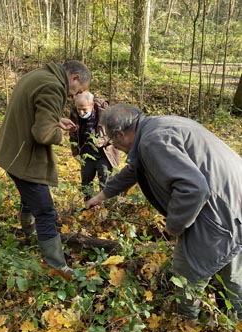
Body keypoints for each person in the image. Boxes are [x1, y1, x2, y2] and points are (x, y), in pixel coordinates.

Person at [86, 103, 242, 320]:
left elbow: (193, 189)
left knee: (186, 269)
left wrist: (174, 225)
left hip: (219, 209)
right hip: (233, 200)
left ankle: (188, 325)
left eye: (112, 142)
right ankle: (236, 322)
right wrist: (102, 196)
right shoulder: (157, 126)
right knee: (233, 260)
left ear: (120, 135)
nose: (116, 148)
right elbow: (134, 169)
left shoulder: (152, 142)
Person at [0, 60, 91, 275]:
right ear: (74, 77)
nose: (74, 96)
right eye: (79, 90)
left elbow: (34, 110)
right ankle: (57, 267)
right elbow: (43, 134)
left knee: (29, 197)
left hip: (10, 152)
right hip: (24, 158)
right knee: (46, 212)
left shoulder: (39, 75)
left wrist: (57, 119)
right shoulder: (54, 86)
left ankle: (29, 233)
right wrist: (59, 135)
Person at [69, 91, 119, 200]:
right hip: (86, 154)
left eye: (84, 110)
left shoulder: (106, 113)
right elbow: (72, 135)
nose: (81, 113)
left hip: (104, 154)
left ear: (91, 105)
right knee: (86, 184)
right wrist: (76, 153)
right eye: (79, 109)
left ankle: (106, 208)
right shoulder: (74, 114)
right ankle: (88, 209)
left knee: (105, 182)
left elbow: (116, 132)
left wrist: (105, 140)